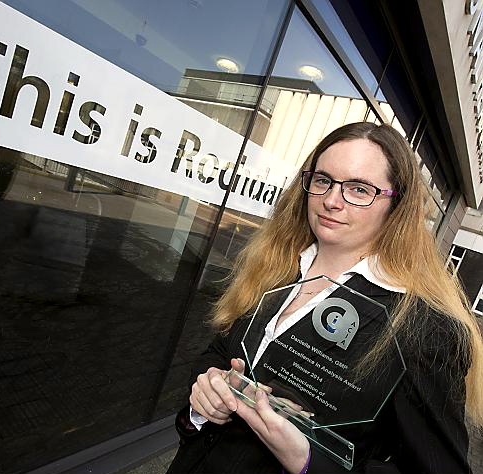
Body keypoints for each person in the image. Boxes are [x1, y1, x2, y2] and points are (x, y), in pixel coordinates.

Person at [166, 122, 483, 474]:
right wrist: (205, 394)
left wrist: (306, 461)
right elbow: (221, 352)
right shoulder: (277, 266)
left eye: (359, 189)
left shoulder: (424, 328)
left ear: (396, 206)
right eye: (323, 181)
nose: (331, 201)